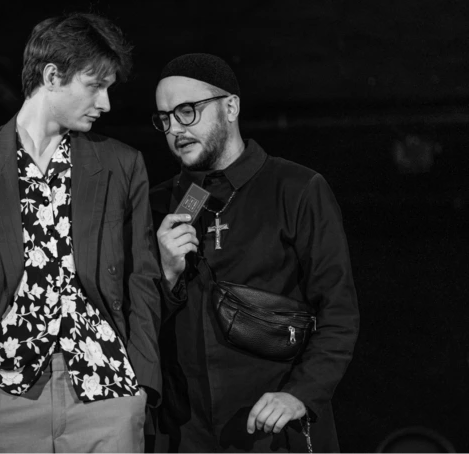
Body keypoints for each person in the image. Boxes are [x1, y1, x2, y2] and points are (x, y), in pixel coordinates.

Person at [0, 13, 162, 453]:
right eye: (95, 85)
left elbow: (142, 278)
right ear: (52, 77)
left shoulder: (122, 165)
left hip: (107, 392)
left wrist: (141, 385)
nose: (106, 103)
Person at [148, 53, 359, 453]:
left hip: (273, 430)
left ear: (230, 107)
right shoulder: (158, 205)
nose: (175, 129)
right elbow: (135, 326)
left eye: (187, 111)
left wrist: (301, 393)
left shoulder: (296, 189)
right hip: (184, 434)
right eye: (164, 118)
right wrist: (168, 276)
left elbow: (339, 313)